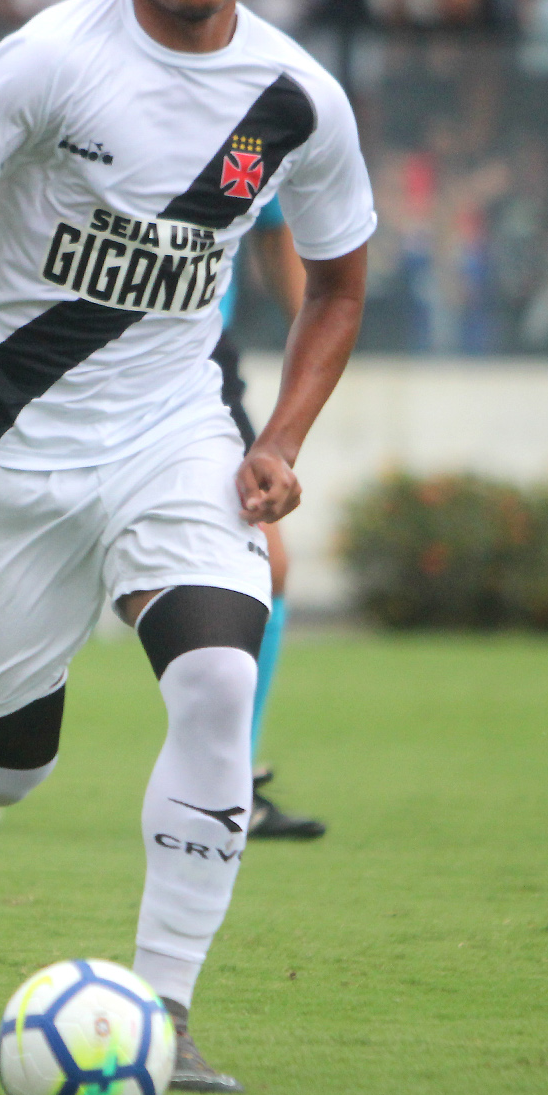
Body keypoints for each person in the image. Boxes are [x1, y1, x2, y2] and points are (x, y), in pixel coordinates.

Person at [0, 0, 372, 1094]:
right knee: (9, 756)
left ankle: (163, 1010)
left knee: (216, 682)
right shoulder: (51, 60)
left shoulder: (295, 102)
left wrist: (279, 438)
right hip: (6, 444)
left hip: (173, 433)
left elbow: (337, 282)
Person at [213, 195, 323, 840]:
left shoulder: (256, 139)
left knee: (269, 567)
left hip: (198, 365)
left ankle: (233, 785)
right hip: (83, 349)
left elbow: (275, 229)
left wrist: (315, 327)